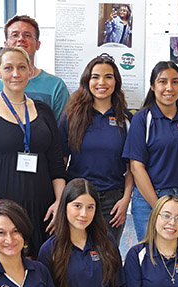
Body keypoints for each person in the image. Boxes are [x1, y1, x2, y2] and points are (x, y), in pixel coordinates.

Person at [0, 46, 66, 258]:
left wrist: (59, 202)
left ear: (30, 71)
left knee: (40, 269)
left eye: (22, 67)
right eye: (8, 68)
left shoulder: (43, 110)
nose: (16, 74)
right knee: (1, 272)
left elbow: (56, 163)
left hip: (42, 206)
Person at [123, 62, 178, 245]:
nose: (169, 88)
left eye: (175, 82)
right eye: (162, 82)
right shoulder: (142, 119)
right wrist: (159, 208)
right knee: (151, 255)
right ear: (153, 86)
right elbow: (136, 167)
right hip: (149, 200)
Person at [59, 56, 133, 243]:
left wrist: (125, 200)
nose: (102, 82)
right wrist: (60, 199)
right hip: (77, 197)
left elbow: (133, 166)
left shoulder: (125, 119)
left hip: (113, 200)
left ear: (116, 82)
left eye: (108, 77)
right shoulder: (72, 116)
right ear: (87, 81)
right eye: (95, 77)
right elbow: (61, 161)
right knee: (76, 251)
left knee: (107, 254)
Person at [0, 15, 71, 118]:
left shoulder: (56, 86)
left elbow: (62, 130)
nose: (21, 39)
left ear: (38, 44)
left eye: (27, 35)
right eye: (15, 35)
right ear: (6, 44)